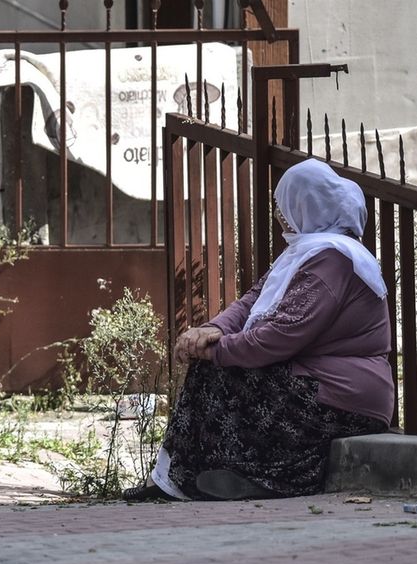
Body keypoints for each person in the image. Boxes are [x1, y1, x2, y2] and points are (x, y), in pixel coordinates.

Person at [128, 159, 393, 502]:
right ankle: (187, 478)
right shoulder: (305, 253)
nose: (280, 215)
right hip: (313, 382)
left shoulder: (334, 259)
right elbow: (250, 302)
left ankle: (190, 480)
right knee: (216, 370)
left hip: (345, 397)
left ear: (305, 205)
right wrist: (210, 329)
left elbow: (282, 333)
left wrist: (215, 349)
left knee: (219, 371)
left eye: (286, 205)